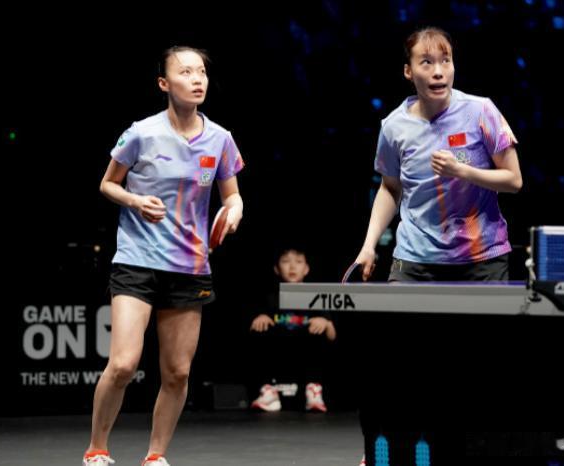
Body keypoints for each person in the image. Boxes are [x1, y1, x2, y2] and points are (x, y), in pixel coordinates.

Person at [352, 27, 522, 465]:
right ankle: (390, 451)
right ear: (409, 72)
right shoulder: (394, 126)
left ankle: (477, 452)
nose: (438, 71)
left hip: (482, 259)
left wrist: (465, 172)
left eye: (445, 61)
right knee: (403, 365)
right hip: (415, 260)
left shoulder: (481, 111)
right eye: (426, 63)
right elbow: (390, 188)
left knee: (479, 369)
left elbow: (514, 179)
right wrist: (369, 246)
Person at [83, 46, 245, 466]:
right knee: (123, 364)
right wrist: (135, 201)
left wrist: (234, 212)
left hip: (190, 266)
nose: (197, 79)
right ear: (163, 83)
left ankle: (155, 456)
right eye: (185, 72)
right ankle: (97, 448)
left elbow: (232, 196)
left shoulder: (220, 139)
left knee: (178, 372)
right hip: (137, 259)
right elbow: (107, 184)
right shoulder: (141, 133)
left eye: (201, 72)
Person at [248, 247, 336, 412]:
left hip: (306, 353)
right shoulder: (269, 297)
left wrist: (325, 322)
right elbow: (252, 328)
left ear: (306, 269)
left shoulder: (316, 297)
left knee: (318, 330)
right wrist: (260, 318)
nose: (292, 267)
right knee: (260, 329)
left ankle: (313, 390)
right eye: (286, 261)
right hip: (279, 352)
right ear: (276, 268)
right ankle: (269, 391)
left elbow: (332, 335)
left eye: (298, 262)